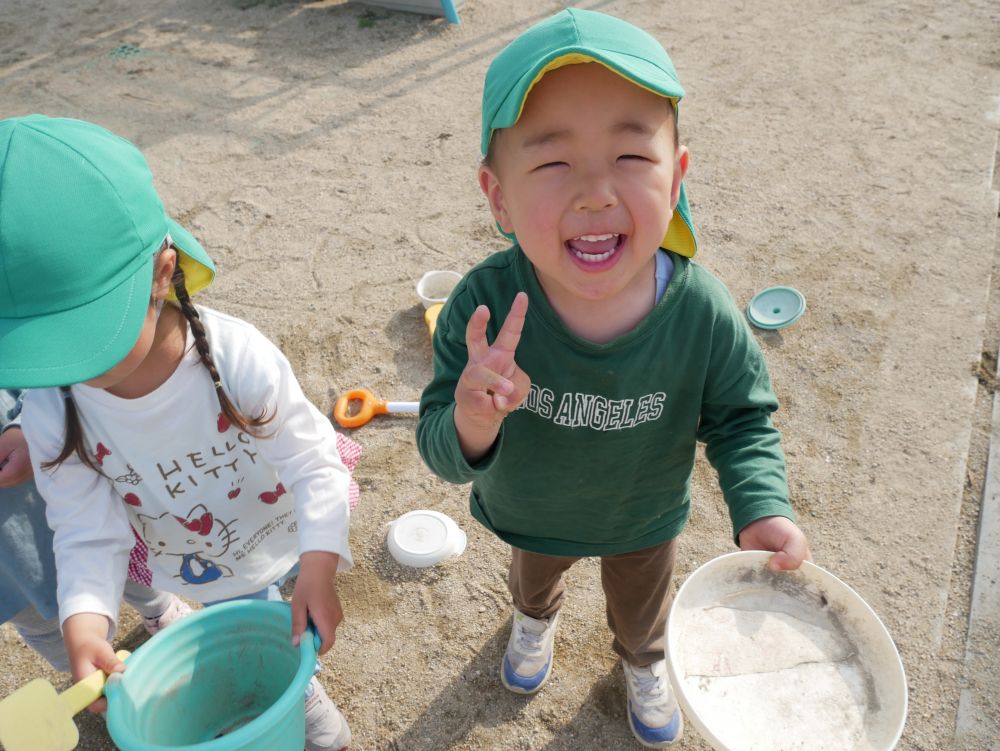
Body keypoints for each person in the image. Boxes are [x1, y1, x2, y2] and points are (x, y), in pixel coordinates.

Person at [416, 9, 811, 748]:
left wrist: (761, 505)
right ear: (497, 196)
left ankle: (644, 660)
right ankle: (535, 622)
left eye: (631, 157)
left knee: (642, 610)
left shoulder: (702, 310)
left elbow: (740, 417)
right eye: (553, 162)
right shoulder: (482, 306)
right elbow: (440, 448)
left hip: (643, 517)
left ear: (678, 173)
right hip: (533, 511)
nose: (596, 191)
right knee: (532, 585)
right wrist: (472, 416)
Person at [0, 115, 359, 751]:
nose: (61, 372)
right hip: (190, 553)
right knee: (239, 615)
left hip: (277, 525)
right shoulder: (52, 406)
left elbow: (313, 463)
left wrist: (319, 565)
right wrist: (86, 624)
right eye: (33, 356)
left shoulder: (236, 357)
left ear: (162, 272)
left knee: (283, 614)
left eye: (83, 344)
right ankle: (290, 694)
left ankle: (301, 692)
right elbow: (86, 528)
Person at [1, 389, 191, 673]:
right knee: (39, 619)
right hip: (9, 568)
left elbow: (48, 373)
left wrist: (29, 428)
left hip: (55, 486)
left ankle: (160, 611)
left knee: (116, 553)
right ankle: (92, 678)